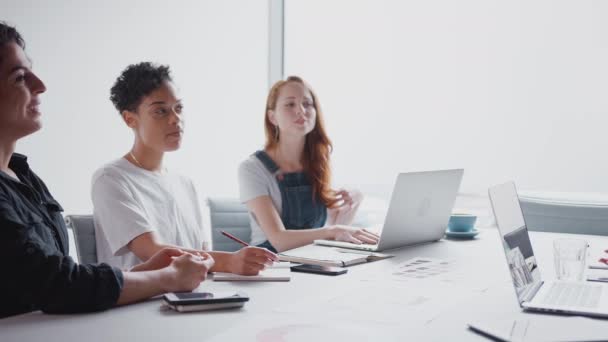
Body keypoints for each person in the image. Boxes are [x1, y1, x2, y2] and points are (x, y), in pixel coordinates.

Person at [0, 22, 214, 319]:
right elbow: (57, 285)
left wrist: (144, 273)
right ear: (130, 119)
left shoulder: (24, 176)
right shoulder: (110, 178)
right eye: (20, 77)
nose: (41, 85)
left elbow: (61, 275)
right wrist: (166, 277)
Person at [92, 62, 277, 274]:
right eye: (160, 111)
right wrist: (230, 262)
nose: (175, 119)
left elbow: (203, 254)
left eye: (178, 108)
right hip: (143, 301)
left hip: (193, 296)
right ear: (130, 119)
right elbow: (153, 252)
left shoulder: (184, 184)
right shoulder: (111, 179)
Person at [238, 76, 380, 253]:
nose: (301, 110)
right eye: (290, 104)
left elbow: (333, 231)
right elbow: (279, 240)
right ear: (272, 117)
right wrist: (333, 231)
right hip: (271, 262)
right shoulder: (252, 168)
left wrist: (354, 202)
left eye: (307, 104)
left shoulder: (318, 162)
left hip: (314, 257)